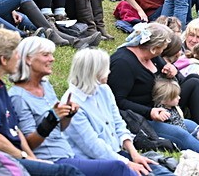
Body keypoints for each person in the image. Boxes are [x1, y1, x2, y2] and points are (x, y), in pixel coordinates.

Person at [0, 26, 84, 176]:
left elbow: (15, 130)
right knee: (67, 172)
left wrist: (33, 159)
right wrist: (24, 157)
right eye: (16, 53)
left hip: (10, 157)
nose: (19, 58)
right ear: (3, 59)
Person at [9, 37, 148, 176]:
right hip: (52, 160)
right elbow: (29, 144)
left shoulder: (46, 86)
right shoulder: (18, 97)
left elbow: (60, 128)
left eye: (51, 54)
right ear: (28, 59)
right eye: (46, 55)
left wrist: (68, 115)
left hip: (68, 153)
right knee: (118, 167)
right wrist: (50, 120)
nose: (52, 59)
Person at [106, 22, 199, 163]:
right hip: (136, 119)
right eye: (163, 48)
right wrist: (149, 111)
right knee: (180, 134)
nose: (163, 52)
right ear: (154, 48)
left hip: (159, 112)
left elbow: (175, 74)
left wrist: (172, 71)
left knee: (192, 126)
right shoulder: (123, 63)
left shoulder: (152, 56)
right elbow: (117, 101)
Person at [151, 79, 199, 146]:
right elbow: (158, 110)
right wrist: (161, 114)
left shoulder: (173, 107)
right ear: (165, 99)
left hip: (187, 133)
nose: (179, 98)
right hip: (181, 138)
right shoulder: (162, 110)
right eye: (176, 96)